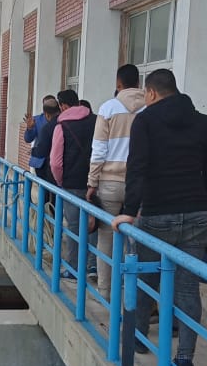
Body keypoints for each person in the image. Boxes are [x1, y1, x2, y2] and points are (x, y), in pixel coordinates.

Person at [112, 69, 207, 366]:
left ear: (151, 93)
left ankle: (138, 338)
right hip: (196, 214)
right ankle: (185, 358)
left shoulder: (145, 121)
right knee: (187, 289)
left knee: (145, 278)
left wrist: (129, 211)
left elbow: (137, 167)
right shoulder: (203, 122)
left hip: (157, 213)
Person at [86, 64, 146, 299]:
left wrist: (92, 182)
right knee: (137, 239)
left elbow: (99, 150)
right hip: (139, 183)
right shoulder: (149, 108)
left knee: (106, 238)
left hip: (110, 182)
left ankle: (105, 292)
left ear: (118, 84)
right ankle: (135, 294)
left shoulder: (108, 108)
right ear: (139, 83)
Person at [50, 89, 95, 280]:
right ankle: (93, 266)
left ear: (62, 106)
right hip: (94, 182)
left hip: (72, 183)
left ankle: (74, 268)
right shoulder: (96, 121)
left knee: (74, 226)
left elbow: (55, 162)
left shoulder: (62, 126)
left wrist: (61, 181)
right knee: (94, 224)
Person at [24, 96, 60, 172]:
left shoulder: (61, 120)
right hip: (40, 162)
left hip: (56, 161)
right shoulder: (36, 120)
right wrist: (30, 128)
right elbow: (28, 139)